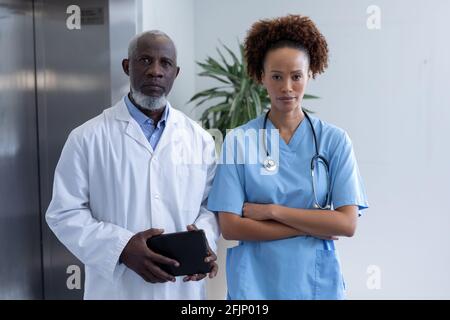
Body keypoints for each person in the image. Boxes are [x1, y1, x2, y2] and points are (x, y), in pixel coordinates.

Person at [46, 30, 219, 300]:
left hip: (182, 290)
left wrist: (203, 243)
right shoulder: (87, 137)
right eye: (145, 60)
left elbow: (210, 206)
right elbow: (64, 213)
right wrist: (122, 248)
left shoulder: (200, 139)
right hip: (117, 290)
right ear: (127, 66)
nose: (155, 71)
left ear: (176, 73)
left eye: (166, 64)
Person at [207, 15, 369, 300]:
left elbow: (346, 224)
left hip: (315, 282)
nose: (287, 87)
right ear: (261, 77)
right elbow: (231, 227)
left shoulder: (334, 141)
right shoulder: (239, 141)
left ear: (310, 74)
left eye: (296, 76)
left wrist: (271, 211)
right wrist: (314, 224)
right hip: (255, 285)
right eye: (276, 76)